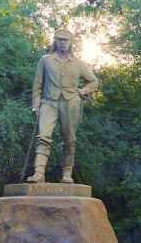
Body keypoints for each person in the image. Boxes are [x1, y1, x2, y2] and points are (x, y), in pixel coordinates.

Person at [26, 29, 99, 183]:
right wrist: (36, 105)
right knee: (43, 137)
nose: (63, 43)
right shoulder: (45, 60)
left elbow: (94, 81)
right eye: (60, 40)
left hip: (71, 103)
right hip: (48, 102)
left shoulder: (78, 63)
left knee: (69, 140)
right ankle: (38, 174)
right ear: (55, 41)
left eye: (66, 40)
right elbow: (37, 84)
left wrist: (82, 92)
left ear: (71, 42)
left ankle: (67, 174)